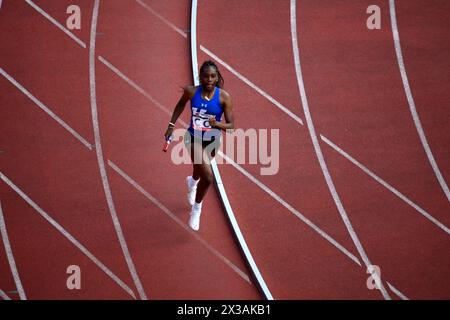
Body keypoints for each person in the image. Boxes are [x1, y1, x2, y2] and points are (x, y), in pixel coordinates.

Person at [164, 60, 234, 231]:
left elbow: (231, 126)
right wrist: (171, 126)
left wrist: (217, 124)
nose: (209, 79)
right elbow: (180, 105)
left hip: (213, 141)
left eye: (213, 76)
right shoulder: (191, 91)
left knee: (199, 169)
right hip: (193, 138)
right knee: (209, 177)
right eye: (206, 76)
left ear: (217, 78)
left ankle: (192, 182)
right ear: (200, 77)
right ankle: (197, 209)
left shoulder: (224, 97)